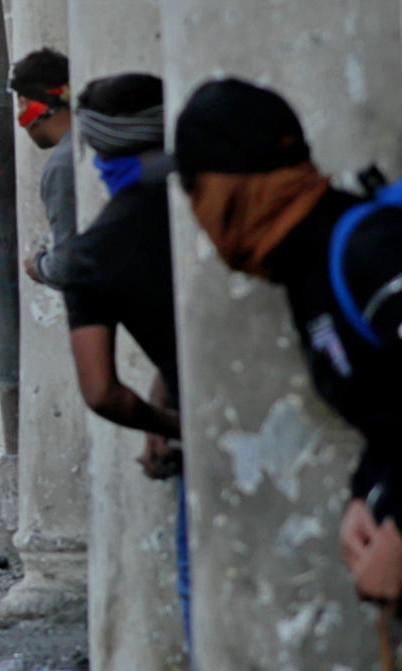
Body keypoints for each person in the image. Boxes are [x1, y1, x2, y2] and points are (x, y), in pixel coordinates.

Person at [173, 79, 402, 604]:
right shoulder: (306, 272)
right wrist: (367, 499)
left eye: (193, 186)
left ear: (232, 184)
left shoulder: (368, 250)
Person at [11, 50, 191, 650]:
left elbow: (102, 391)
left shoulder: (94, 253)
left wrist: (168, 420)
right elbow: (183, 315)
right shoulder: (209, 198)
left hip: (207, 428)